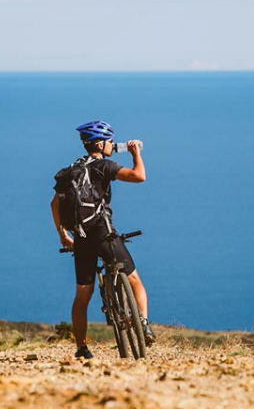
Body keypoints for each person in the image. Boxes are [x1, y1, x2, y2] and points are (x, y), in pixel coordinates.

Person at [50, 120, 156, 359]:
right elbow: (139, 176)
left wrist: (63, 235)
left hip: (80, 237)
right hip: (102, 233)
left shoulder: (70, 171)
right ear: (100, 143)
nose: (111, 145)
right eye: (110, 141)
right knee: (135, 279)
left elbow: (54, 204)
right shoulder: (104, 166)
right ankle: (144, 324)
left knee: (82, 296)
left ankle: (81, 348)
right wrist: (136, 154)